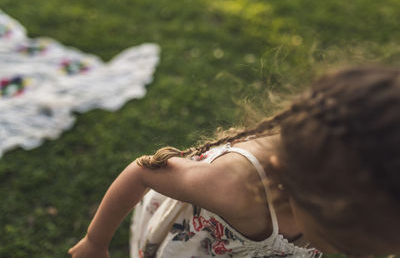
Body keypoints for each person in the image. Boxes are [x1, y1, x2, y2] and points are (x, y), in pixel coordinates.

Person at [68, 65, 400, 258]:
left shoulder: (344, 194)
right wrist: (95, 242)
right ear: (299, 185)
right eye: (344, 246)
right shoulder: (229, 188)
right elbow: (142, 171)